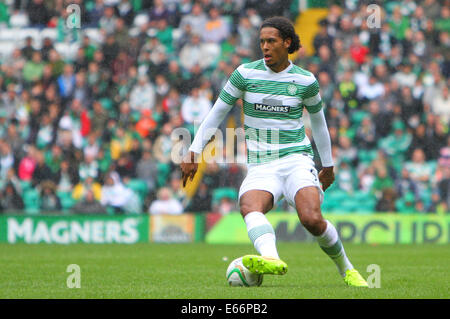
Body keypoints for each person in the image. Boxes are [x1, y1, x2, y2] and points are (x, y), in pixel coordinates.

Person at [180, 16, 368, 287]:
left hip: (296, 160)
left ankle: (347, 269)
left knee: (312, 219)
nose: (265, 47)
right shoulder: (245, 74)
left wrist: (328, 165)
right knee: (249, 206)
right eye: (261, 42)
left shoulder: (305, 81)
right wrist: (193, 152)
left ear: (287, 43)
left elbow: (319, 123)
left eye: (271, 41)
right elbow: (216, 114)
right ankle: (271, 258)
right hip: (261, 164)